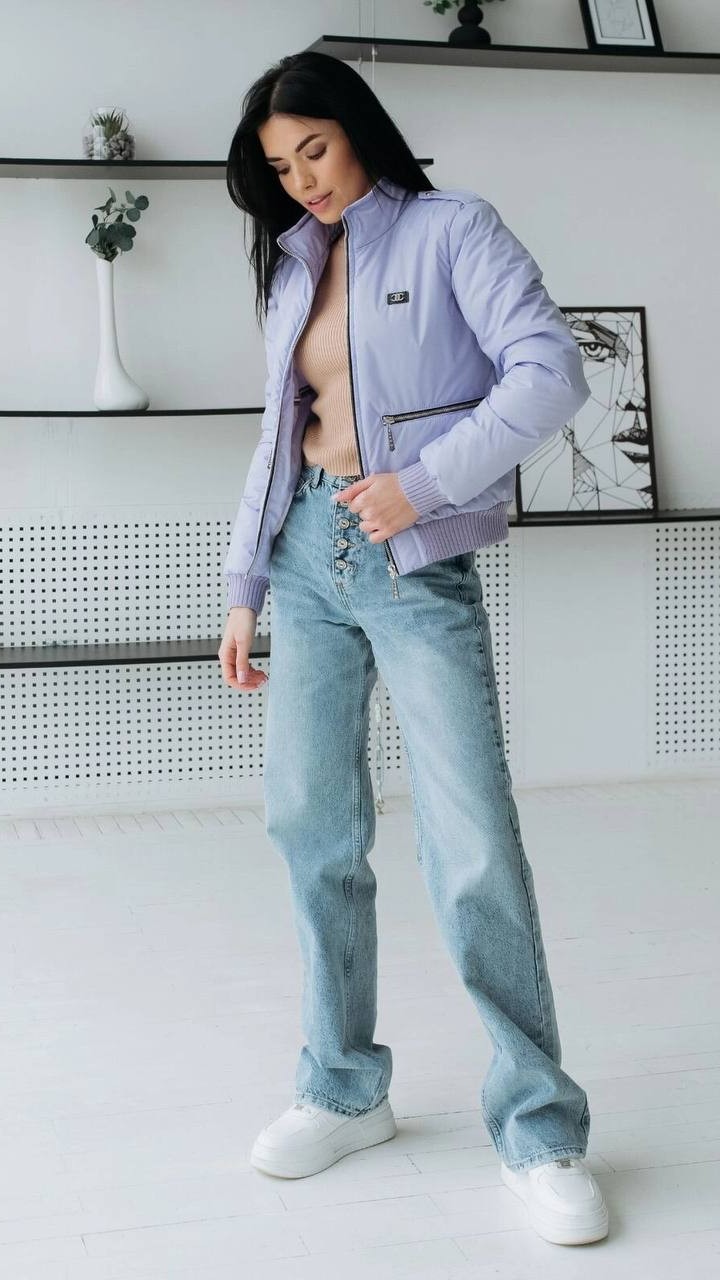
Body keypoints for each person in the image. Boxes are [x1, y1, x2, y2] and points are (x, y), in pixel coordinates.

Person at [217, 50, 609, 1246]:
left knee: (472, 840)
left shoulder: (453, 229)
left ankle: (539, 1127)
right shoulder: (295, 263)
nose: (304, 180)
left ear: (359, 129)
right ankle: (344, 1085)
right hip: (304, 558)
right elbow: (282, 433)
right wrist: (243, 585)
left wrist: (425, 483)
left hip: (413, 563)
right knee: (312, 828)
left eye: (316, 149)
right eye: (282, 166)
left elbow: (551, 372)